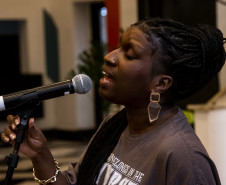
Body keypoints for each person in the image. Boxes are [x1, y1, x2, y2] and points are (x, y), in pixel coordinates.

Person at [1, 17, 226, 185]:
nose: (110, 56)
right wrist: (40, 155)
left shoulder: (183, 157)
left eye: (129, 54)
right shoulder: (114, 126)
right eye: (118, 46)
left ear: (160, 84)